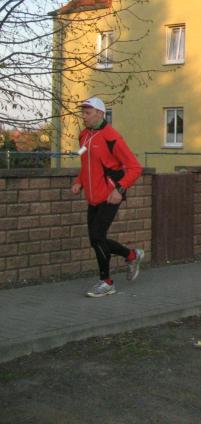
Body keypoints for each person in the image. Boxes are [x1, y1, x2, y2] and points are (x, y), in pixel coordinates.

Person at [71, 97, 144, 298]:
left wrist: (119, 190)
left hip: (110, 196)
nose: (83, 116)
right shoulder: (84, 136)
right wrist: (79, 182)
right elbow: (86, 163)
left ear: (100, 113)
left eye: (87, 113)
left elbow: (135, 168)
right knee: (96, 240)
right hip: (92, 196)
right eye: (83, 112)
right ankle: (132, 255)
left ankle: (107, 282)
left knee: (97, 236)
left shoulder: (112, 137)